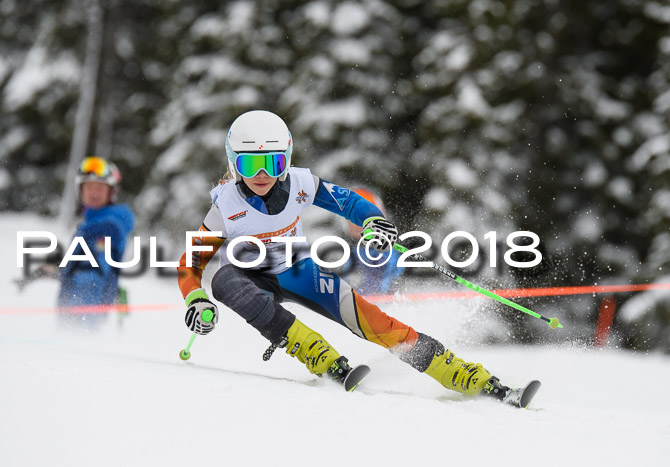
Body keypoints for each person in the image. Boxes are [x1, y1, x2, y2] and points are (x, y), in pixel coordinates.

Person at [177, 110, 511, 401]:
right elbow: (191, 262)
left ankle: (461, 373)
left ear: (287, 160)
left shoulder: (300, 183)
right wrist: (196, 298)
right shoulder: (226, 206)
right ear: (234, 163)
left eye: (273, 162)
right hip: (249, 282)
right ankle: (314, 351)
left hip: (295, 270)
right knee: (223, 280)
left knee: (373, 321)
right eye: (250, 164)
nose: (261, 174)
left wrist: (374, 221)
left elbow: (350, 202)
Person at [56, 156, 134, 328]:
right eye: (89, 186)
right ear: (80, 190)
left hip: (82, 322)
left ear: (111, 192)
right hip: (79, 317)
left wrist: (76, 324)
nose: (94, 193)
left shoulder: (106, 227)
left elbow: (92, 277)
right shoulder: (92, 224)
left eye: (100, 187)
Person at [342, 187, 403, 295]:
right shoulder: (353, 251)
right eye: (351, 219)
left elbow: (392, 278)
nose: (355, 224)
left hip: (386, 303)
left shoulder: (388, 250)